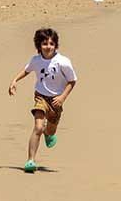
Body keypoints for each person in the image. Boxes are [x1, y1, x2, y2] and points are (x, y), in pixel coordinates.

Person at [7, 26, 77, 173]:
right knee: (38, 127)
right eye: (44, 43)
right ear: (39, 45)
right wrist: (14, 80)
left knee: (49, 131)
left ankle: (48, 133)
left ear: (56, 45)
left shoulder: (63, 62)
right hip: (40, 96)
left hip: (56, 100)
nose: (48, 47)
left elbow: (72, 81)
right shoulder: (36, 60)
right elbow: (26, 70)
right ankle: (30, 160)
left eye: (51, 44)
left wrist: (62, 97)